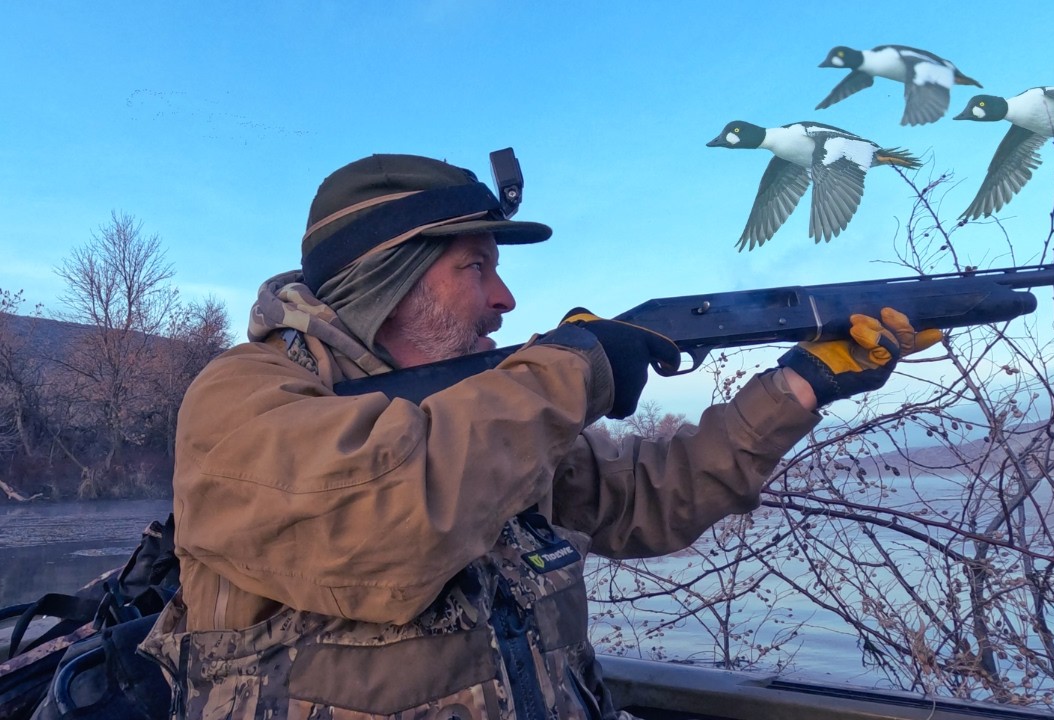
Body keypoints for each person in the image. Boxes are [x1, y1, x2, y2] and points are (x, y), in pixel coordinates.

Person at [139, 152, 941, 719]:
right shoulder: (242, 398)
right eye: (475, 267)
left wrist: (802, 383)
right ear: (390, 278)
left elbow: (654, 497)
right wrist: (572, 372)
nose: (506, 298)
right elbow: (391, 519)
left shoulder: (491, 411)